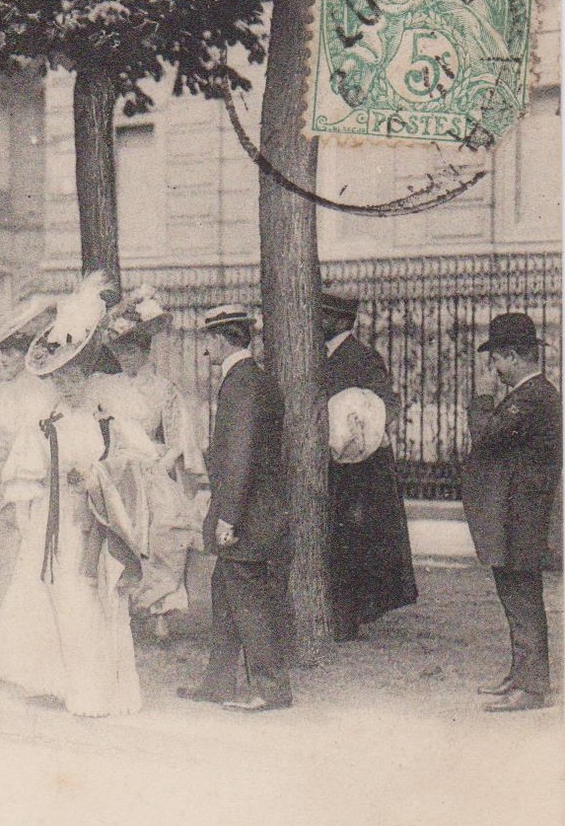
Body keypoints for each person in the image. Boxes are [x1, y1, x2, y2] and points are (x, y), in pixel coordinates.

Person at [0, 273, 148, 717]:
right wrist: (26, 511)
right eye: (60, 378)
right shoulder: (47, 419)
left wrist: (96, 476)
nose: (68, 385)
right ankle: (61, 680)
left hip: (94, 521)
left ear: (88, 373)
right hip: (50, 525)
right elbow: (24, 470)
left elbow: (131, 461)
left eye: (75, 376)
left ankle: (96, 689)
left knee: (89, 599)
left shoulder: (103, 415)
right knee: (53, 598)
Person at [178, 304, 292, 712]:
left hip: (248, 517)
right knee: (226, 596)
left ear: (220, 340)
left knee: (247, 601)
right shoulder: (250, 380)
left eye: (207, 340)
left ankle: (271, 688)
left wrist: (227, 517)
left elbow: (240, 456)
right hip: (252, 512)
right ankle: (219, 684)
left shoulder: (242, 384)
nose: (205, 349)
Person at [94, 287, 205, 640]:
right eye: (120, 352)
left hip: (150, 469)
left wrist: (160, 465)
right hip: (115, 468)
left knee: (162, 532)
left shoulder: (163, 389)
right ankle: (118, 610)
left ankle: (159, 613)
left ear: (145, 349)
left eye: (132, 351)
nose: (126, 358)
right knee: (114, 534)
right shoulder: (105, 387)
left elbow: (177, 439)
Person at [463, 313, 560, 712]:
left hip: (524, 516)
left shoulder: (534, 397)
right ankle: (521, 674)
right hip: (516, 513)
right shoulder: (527, 395)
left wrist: (483, 398)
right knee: (515, 595)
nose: (494, 369)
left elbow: (485, 438)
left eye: (496, 360)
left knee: (522, 598)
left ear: (516, 356)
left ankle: (532, 686)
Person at [319, 291, 417, 641]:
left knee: (352, 540)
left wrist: (362, 426)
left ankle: (348, 616)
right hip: (330, 464)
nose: (318, 322)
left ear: (343, 321)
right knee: (333, 538)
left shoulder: (362, 357)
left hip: (360, 469)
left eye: (325, 316)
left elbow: (386, 402)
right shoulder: (316, 356)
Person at [0, 294, 58, 640]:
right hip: (8, 482)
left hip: (33, 484)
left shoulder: (38, 392)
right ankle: (6, 636)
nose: (5, 360)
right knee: (10, 555)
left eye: (12, 353)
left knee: (29, 554)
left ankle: (28, 636)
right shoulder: (0, 394)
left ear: (26, 354)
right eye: (2, 353)